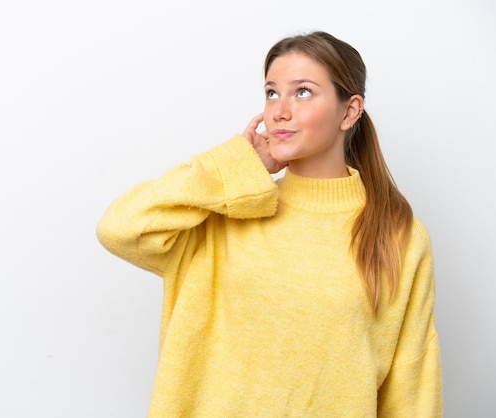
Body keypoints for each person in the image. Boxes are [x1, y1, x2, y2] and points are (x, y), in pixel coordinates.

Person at [96, 31, 442, 416]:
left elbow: (412, 391)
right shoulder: (228, 211)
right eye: (272, 93)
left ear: (350, 111)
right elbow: (120, 227)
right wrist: (236, 166)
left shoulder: (400, 237)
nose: (280, 110)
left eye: (303, 92)